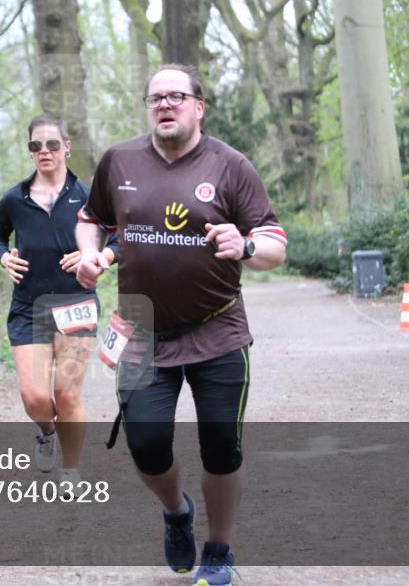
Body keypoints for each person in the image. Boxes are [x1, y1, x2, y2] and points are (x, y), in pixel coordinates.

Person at [75, 65, 287, 586]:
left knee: (221, 446)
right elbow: (91, 220)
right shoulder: (119, 161)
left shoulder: (231, 166)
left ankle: (219, 550)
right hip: (141, 331)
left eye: (176, 96)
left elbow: (275, 242)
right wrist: (91, 255)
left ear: (198, 106)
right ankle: (176, 511)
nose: (164, 105)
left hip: (218, 331)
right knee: (146, 446)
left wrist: (247, 245)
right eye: (155, 98)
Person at [0, 113, 117, 489]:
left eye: (52, 144)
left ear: (66, 147)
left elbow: (119, 238)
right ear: (30, 151)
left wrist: (97, 256)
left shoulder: (90, 196)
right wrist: (4, 257)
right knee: (35, 397)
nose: (44, 151)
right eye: (36, 145)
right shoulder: (14, 199)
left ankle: (71, 470)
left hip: (76, 303)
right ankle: (46, 431)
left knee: (67, 392)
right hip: (29, 308)